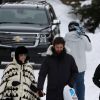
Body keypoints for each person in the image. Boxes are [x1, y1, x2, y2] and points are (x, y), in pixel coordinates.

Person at [65, 21, 92, 100]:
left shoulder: (65, 38)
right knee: (80, 85)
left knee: (71, 86)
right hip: (81, 68)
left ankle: (73, 99)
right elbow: (89, 48)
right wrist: (87, 38)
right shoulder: (83, 37)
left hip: (70, 68)